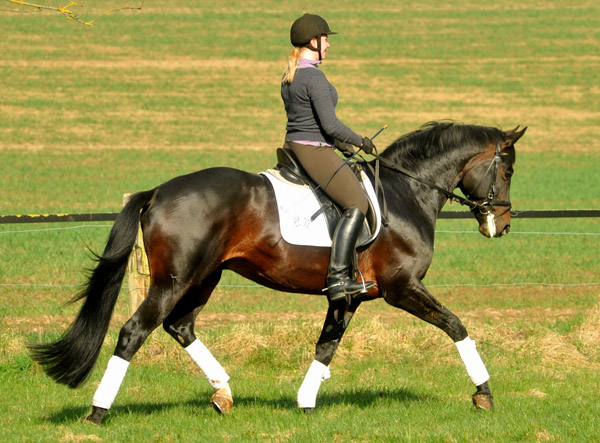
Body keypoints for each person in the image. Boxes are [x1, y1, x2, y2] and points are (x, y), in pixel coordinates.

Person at [281, 13, 376, 302]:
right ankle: (338, 279)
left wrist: (342, 146)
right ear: (314, 41)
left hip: (296, 146)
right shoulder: (314, 77)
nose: (329, 45)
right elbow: (330, 124)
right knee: (357, 202)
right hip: (313, 150)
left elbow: (312, 123)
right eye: (325, 40)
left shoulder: (292, 73)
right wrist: (360, 140)